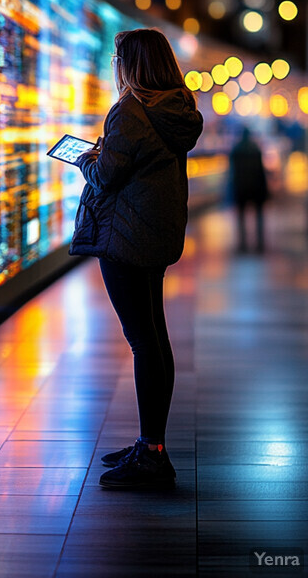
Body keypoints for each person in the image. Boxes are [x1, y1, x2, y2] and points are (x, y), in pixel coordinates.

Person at [69, 28, 203, 489]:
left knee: (143, 342)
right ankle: (151, 444)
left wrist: (88, 157)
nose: (114, 66)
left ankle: (152, 456)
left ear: (129, 64)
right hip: (153, 236)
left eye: (117, 59)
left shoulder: (130, 110)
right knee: (154, 339)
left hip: (123, 239)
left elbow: (106, 177)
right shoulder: (176, 107)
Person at [228, 126, 268, 252]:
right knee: (259, 217)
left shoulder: (236, 150)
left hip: (241, 187)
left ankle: (243, 244)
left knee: (241, 218)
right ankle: (260, 244)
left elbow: (232, 172)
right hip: (256, 187)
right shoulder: (256, 149)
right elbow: (261, 171)